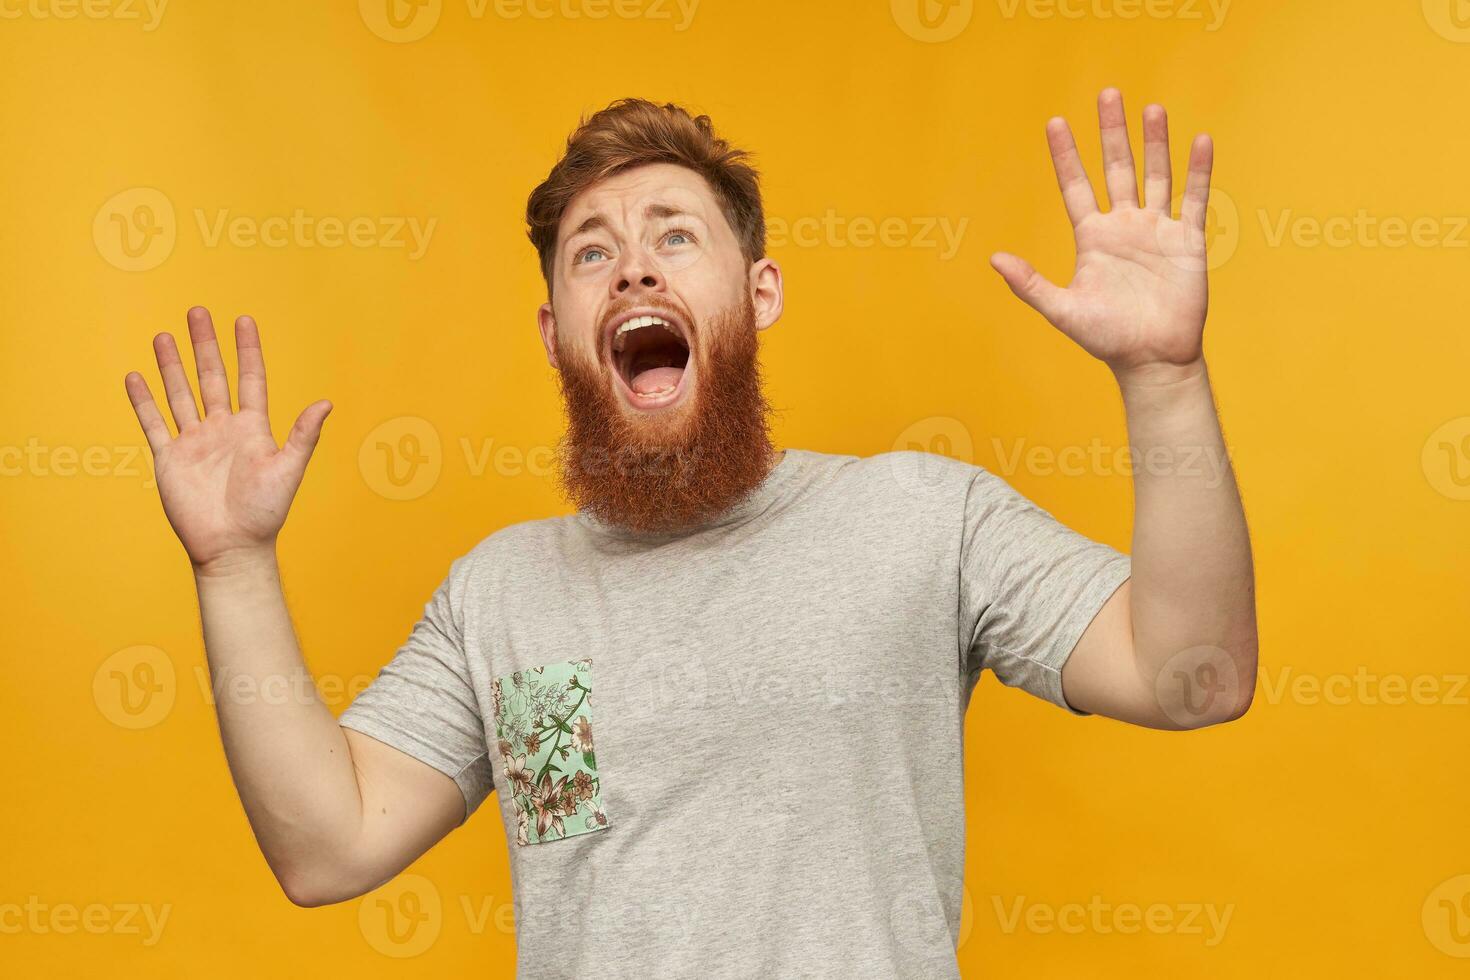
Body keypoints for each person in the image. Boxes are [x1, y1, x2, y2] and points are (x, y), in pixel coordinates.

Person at [122, 90, 1257, 979]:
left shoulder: (923, 517)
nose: (636, 267)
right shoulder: (499, 595)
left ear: (758, 293)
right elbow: (327, 846)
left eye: (675, 235)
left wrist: (1163, 380)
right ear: (557, 328)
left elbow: (1193, 675)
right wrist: (232, 567)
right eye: (592, 253)